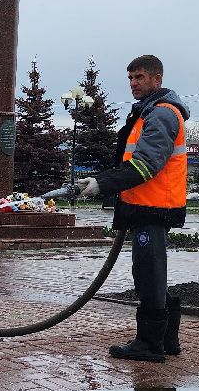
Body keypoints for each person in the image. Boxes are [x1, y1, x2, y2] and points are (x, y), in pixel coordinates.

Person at [73, 55, 190, 362]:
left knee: (149, 275)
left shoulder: (162, 115)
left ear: (157, 79)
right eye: (130, 78)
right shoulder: (148, 112)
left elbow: (145, 165)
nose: (134, 83)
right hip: (145, 205)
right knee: (150, 273)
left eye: (139, 77)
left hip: (153, 207)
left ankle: (150, 345)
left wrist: (102, 184)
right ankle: (166, 339)